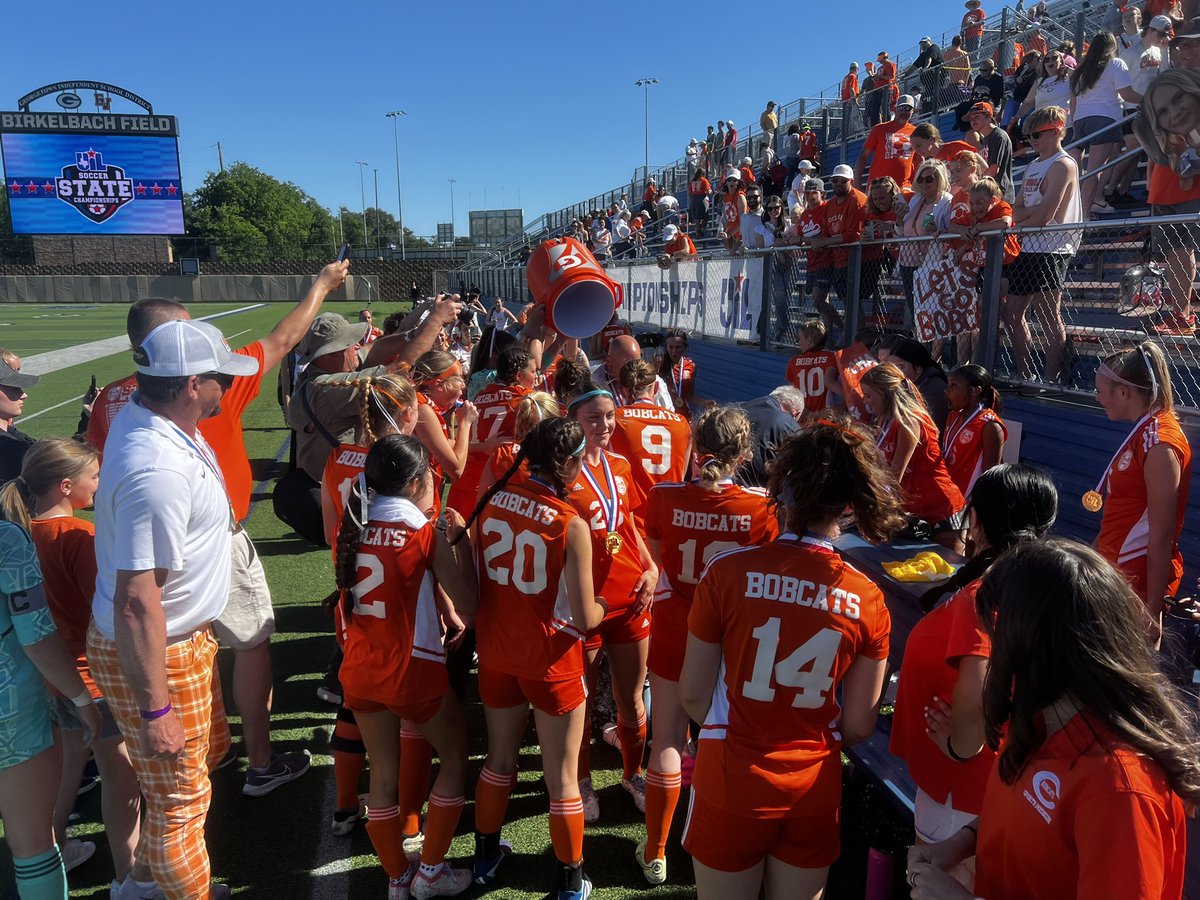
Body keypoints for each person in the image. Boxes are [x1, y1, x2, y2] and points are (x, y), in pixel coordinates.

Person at [680, 419, 905, 900]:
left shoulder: (728, 572)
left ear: (778, 487)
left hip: (732, 775)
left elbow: (695, 696)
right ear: (848, 505)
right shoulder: (867, 598)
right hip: (813, 785)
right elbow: (862, 726)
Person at [908, 540, 1200, 899]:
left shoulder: (1119, 789)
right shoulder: (1043, 716)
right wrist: (959, 842)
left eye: (996, 631)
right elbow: (1023, 815)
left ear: (1031, 644)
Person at [87, 319, 260, 899]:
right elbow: (137, 600)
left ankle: (139, 887)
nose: (225, 388)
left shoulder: (160, 421)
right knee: (180, 802)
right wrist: (156, 707)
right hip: (160, 649)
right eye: (218, 379)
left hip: (181, 637)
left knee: (182, 785)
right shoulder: (156, 468)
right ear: (191, 384)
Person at [460, 417, 608, 900]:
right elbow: (586, 617)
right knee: (562, 777)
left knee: (498, 761)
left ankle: (484, 857)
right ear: (566, 463)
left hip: (497, 653)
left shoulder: (494, 498)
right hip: (550, 660)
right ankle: (570, 879)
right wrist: (613, 603)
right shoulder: (571, 523)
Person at [636, 407, 778, 885]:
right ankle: (731, 839)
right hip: (735, 639)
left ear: (698, 447)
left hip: (678, 628)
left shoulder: (663, 496)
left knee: (667, 740)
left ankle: (656, 850)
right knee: (733, 740)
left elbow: (656, 563)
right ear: (743, 455)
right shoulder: (761, 508)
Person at [333, 435, 477, 898]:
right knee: (455, 757)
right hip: (411, 669)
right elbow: (469, 602)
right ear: (417, 482)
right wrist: (464, 545)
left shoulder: (350, 525)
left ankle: (397, 878)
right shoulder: (422, 534)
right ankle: (431, 872)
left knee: (383, 777)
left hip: (361, 667)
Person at [0, 439, 147, 892]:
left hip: (51, 682)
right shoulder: (79, 536)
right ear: (67, 486)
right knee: (122, 783)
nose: (99, 484)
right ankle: (129, 878)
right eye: (94, 477)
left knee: (65, 770)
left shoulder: (25, 531)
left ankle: (54, 844)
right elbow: (104, 612)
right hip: (93, 679)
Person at [893, 465, 1057, 847]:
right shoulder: (1035, 585)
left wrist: (960, 747)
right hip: (1004, 785)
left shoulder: (987, 594)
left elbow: (979, 682)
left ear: (977, 518)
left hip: (962, 793)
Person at [565, 386, 658, 822]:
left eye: (608, 416)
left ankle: (632, 773)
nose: (604, 426)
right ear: (574, 421)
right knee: (580, 702)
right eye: (592, 418)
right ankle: (581, 780)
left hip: (629, 597)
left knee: (632, 698)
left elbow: (631, 525)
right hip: (583, 605)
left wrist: (652, 566)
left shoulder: (620, 464)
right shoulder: (561, 473)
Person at [0, 518, 103, 900]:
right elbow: (37, 635)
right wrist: (82, 699)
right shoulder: (7, 539)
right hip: (13, 717)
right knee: (33, 847)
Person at [1092, 343, 1191, 626]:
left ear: (1123, 392)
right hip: (1114, 574)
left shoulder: (1159, 443)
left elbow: (1161, 537)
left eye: (1100, 390)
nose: (1097, 398)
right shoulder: (1144, 434)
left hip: (1134, 584)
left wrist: (1152, 612)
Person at [1003, 105, 1082, 383]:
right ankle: (1026, 373)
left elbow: (1046, 216)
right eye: (1028, 137)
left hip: (1052, 248)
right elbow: (1018, 209)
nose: (1032, 141)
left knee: (1049, 314)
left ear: (1057, 131)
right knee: (1012, 313)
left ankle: (1052, 378)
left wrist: (1024, 218)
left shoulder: (1063, 163)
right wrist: (1026, 218)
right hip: (1028, 247)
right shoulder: (1035, 165)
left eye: (1037, 135)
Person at [861, 363, 965, 537]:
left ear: (885, 393)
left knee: (946, 563)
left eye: (868, 395)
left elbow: (893, 477)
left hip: (941, 509)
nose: (865, 401)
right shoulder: (884, 420)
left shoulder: (909, 422)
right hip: (915, 508)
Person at [1135, 62, 1200, 335]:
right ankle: (1180, 314)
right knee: (1175, 255)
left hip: (1192, 190)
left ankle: (1183, 314)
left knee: (1185, 253)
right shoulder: (1151, 122)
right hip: (1164, 189)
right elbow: (1156, 152)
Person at [445, 346, 534, 516]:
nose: (536, 377)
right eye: (533, 371)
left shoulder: (479, 397)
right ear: (519, 376)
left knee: (461, 537)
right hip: (497, 484)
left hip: (465, 480)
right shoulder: (526, 399)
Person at [1068, 31, 1140, 216]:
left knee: (1081, 173)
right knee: (1094, 171)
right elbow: (1127, 94)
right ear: (1112, 47)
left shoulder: (1081, 69)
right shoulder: (1115, 63)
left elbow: (1073, 100)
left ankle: (1078, 211)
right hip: (1104, 118)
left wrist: (1076, 127)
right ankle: (1083, 216)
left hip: (1080, 121)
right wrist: (1150, 98)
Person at [611, 359, 692, 510]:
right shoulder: (681, 423)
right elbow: (681, 476)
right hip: (669, 517)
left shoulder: (615, 420)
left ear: (623, 390)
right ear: (656, 387)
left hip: (633, 519)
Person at [1109, 11, 1171, 207]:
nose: (1163, 38)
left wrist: (1165, 50)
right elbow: (1119, 82)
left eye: (1166, 35)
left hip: (1150, 107)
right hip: (1131, 107)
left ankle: (1125, 190)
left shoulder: (1159, 51)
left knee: (1139, 153)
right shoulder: (1130, 53)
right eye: (1160, 34)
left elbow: (1165, 76)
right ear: (1150, 30)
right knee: (1133, 150)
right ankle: (1110, 189)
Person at [410, 351, 478, 514]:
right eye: (459, 378)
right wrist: (465, 423)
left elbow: (449, 446)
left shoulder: (423, 405)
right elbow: (455, 469)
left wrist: (487, 446)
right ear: (439, 384)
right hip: (414, 502)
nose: (463, 385)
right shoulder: (424, 410)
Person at [807, 164, 869, 334]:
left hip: (859, 259)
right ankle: (849, 334)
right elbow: (827, 231)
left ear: (851, 181)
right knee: (845, 301)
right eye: (835, 181)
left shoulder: (857, 200)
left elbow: (853, 235)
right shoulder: (831, 204)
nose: (839, 184)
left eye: (843, 181)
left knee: (852, 302)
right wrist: (823, 241)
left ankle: (859, 340)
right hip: (839, 260)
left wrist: (825, 242)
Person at [898, 159, 955, 333]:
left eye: (929, 179)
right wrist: (899, 221)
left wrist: (938, 230)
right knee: (915, 308)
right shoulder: (915, 200)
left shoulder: (948, 201)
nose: (924, 183)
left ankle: (934, 351)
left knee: (932, 308)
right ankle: (920, 347)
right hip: (908, 263)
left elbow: (952, 231)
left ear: (940, 179)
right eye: (921, 179)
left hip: (932, 263)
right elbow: (902, 232)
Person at [941, 364, 1007, 497]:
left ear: (974, 391)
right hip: (948, 494)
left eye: (953, 385)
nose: (946, 390)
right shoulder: (953, 415)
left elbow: (990, 475)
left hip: (968, 501)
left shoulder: (990, 426)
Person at [733, 385, 807, 487]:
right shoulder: (788, 423)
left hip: (722, 486)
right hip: (758, 494)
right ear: (795, 413)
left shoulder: (736, 408)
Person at [879, 337, 951, 432]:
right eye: (892, 367)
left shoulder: (934, 390)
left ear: (918, 369)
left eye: (901, 366)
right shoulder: (911, 384)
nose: (894, 372)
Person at [590, 334, 672, 409]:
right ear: (609, 362)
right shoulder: (591, 380)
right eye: (628, 364)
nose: (634, 368)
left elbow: (669, 415)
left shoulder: (652, 381)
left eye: (638, 362)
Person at [854, 95, 917, 191]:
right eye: (901, 108)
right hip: (878, 187)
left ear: (913, 111)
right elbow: (863, 156)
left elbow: (918, 160)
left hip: (903, 188)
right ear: (895, 109)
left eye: (908, 109)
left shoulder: (916, 132)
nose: (904, 111)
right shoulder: (879, 129)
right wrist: (857, 181)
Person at [963, 101, 1014, 202]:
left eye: (977, 117)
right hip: (989, 193)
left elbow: (994, 169)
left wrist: (976, 185)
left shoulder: (998, 136)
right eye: (971, 119)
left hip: (1000, 193)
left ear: (988, 116)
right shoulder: (983, 140)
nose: (973, 121)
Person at [785, 319, 837, 413]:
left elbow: (792, 395)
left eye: (800, 339)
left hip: (802, 416)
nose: (799, 343)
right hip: (824, 417)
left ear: (809, 340)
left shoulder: (794, 362)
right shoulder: (831, 357)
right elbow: (830, 382)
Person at [0, 359, 37, 486]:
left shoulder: (12, 434)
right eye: (13, 389)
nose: (23, 395)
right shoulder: (9, 447)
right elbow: (65, 468)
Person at [656, 328, 697, 418]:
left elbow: (689, 396)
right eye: (670, 347)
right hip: (665, 416)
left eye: (678, 347)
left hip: (683, 416)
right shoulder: (659, 364)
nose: (674, 352)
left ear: (685, 347)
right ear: (666, 347)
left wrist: (705, 402)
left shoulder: (691, 366)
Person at [906, 37, 946, 115]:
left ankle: (939, 110)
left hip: (940, 77)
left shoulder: (933, 47)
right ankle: (929, 112)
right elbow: (914, 66)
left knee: (937, 93)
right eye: (921, 45)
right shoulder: (923, 54)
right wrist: (905, 76)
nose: (923, 46)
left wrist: (925, 68)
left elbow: (929, 59)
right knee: (928, 97)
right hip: (930, 80)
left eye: (925, 44)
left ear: (929, 42)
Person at [911, 123, 977, 168]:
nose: (917, 151)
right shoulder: (927, 163)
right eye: (914, 148)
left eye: (919, 146)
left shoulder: (956, 147)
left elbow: (978, 160)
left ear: (931, 140)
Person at [719, 170, 747, 253]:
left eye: (734, 180)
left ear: (738, 182)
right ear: (726, 182)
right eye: (729, 179)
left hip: (743, 236)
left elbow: (743, 221)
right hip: (733, 235)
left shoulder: (740, 197)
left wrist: (729, 234)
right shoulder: (725, 197)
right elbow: (728, 219)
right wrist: (725, 233)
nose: (731, 182)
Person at [687, 167, 711, 237]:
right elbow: (707, 191)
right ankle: (700, 229)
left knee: (697, 218)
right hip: (702, 198)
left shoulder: (692, 181)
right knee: (705, 217)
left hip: (694, 199)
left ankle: (697, 234)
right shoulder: (704, 180)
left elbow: (689, 192)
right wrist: (711, 191)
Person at [876, 51, 899, 121]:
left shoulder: (890, 64)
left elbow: (891, 77)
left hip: (887, 88)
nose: (879, 62)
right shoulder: (879, 68)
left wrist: (881, 77)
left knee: (885, 107)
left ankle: (887, 121)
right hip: (878, 89)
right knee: (877, 108)